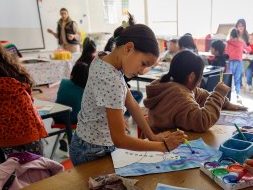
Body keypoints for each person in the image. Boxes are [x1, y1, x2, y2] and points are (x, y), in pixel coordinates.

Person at [69, 13, 186, 166]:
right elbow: (120, 139)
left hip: (87, 142)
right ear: (128, 48)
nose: (142, 71)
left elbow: (130, 101)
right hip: (92, 150)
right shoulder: (110, 79)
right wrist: (163, 146)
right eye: (143, 63)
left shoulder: (105, 59)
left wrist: (152, 136)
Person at [0, 29, 47, 156]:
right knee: (41, 167)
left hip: (5, 137)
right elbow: (30, 99)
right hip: (31, 130)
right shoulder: (14, 71)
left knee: (19, 168)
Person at [143, 50, 247, 133]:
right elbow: (202, 121)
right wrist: (218, 95)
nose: (199, 81)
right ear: (192, 76)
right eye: (200, 77)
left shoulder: (171, 84)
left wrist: (225, 102)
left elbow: (200, 94)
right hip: (163, 148)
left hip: (160, 141)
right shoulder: (178, 94)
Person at [225, 28, 251, 96]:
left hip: (230, 62)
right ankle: (238, 94)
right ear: (239, 35)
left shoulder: (228, 42)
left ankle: (227, 94)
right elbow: (248, 50)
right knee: (237, 79)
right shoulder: (241, 43)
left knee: (228, 78)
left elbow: (226, 51)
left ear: (231, 34)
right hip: (238, 62)